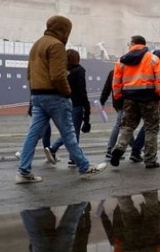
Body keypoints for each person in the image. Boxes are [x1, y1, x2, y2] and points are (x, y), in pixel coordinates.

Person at [17, 15, 105, 182]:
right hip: (55, 96)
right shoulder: (56, 45)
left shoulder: (37, 44)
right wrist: (66, 93)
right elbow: (58, 76)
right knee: (69, 133)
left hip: (37, 95)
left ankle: (23, 171)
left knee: (33, 134)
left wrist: (35, 93)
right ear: (63, 30)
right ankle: (85, 168)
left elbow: (29, 74)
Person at [109, 36, 160, 169]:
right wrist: (159, 94)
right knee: (151, 128)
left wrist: (119, 96)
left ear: (132, 44)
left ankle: (119, 147)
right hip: (149, 98)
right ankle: (150, 160)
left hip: (129, 98)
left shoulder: (121, 60)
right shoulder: (153, 58)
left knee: (127, 126)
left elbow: (116, 82)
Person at [46, 49, 90, 166]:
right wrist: (87, 106)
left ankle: (70, 156)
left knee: (69, 131)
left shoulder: (63, 71)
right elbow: (82, 90)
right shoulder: (79, 71)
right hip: (77, 105)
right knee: (73, 133)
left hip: (64, 104)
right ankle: (55, 150)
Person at [100, 68, 123, 160]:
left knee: (126, 126)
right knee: (120, 124)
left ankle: (135, 150)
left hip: (116, 103)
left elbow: (107, 88)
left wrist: (102, 101)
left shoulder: (112, 72)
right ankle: (110, 149)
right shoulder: (127, 71)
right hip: (125, 103)